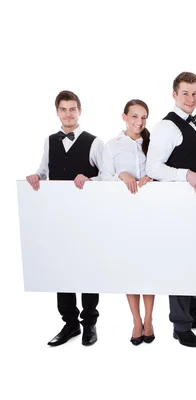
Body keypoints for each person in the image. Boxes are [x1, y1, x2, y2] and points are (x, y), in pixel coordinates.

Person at [146, 72, 196, 347]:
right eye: (185, 93)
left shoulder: (194, 124)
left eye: (194, 93)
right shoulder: (166, 127)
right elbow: (152, 168)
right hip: (176, 208)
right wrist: (186, 175)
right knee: (179, 261)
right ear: (174, 95)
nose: (190, 99)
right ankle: (180, 325)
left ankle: (195, 311)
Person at [26, 90, 103, 346]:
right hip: (59, 217)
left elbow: (107, 177)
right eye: (63, 109)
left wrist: (90, 179)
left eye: (72, 109)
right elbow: (43, 170)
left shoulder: (94, 142)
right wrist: (35, 176)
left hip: (87, 218)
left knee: (88, 268)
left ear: (80, 111)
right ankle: (69, 324)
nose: (68, 114)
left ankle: (89, 323)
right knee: (62, 268)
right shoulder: (50, 140)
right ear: (57, 112)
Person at [101, 99, 156, 345]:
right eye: (134, 116)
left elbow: (160, 170)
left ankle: (150, 319)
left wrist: (151, 178)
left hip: (149, 215)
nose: (139, 122)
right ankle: (136, 320)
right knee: (130, 270)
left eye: (143, 117)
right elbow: (102, 178)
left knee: (149, 268)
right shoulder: (112, 146)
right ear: (124, 117)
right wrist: (121, 175)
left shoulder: (152, 145)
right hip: (123, 217)